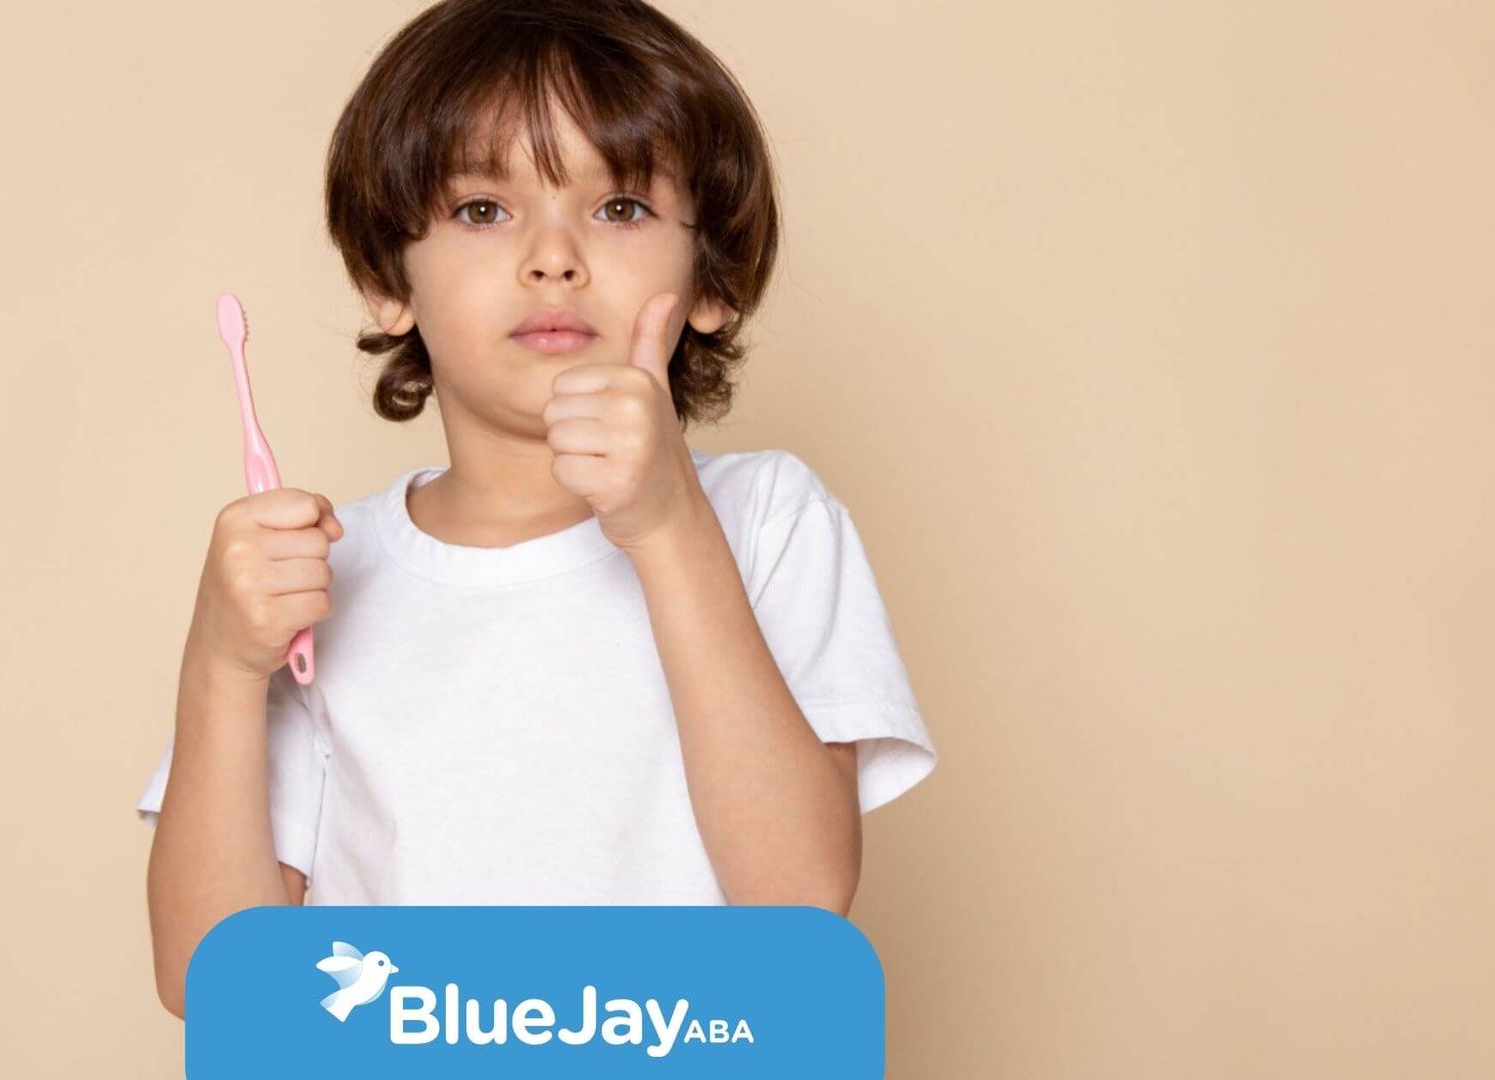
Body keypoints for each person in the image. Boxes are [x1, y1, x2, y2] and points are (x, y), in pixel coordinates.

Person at [139, 0, 936, 1018]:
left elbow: (798, 908)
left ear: (712, 280)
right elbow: (219, 984)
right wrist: (219, 665)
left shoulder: (767, 519)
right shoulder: (323, 577)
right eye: (484, 210)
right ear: (389, 280)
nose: (552, 257)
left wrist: (664, 524)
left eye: (619, 209)